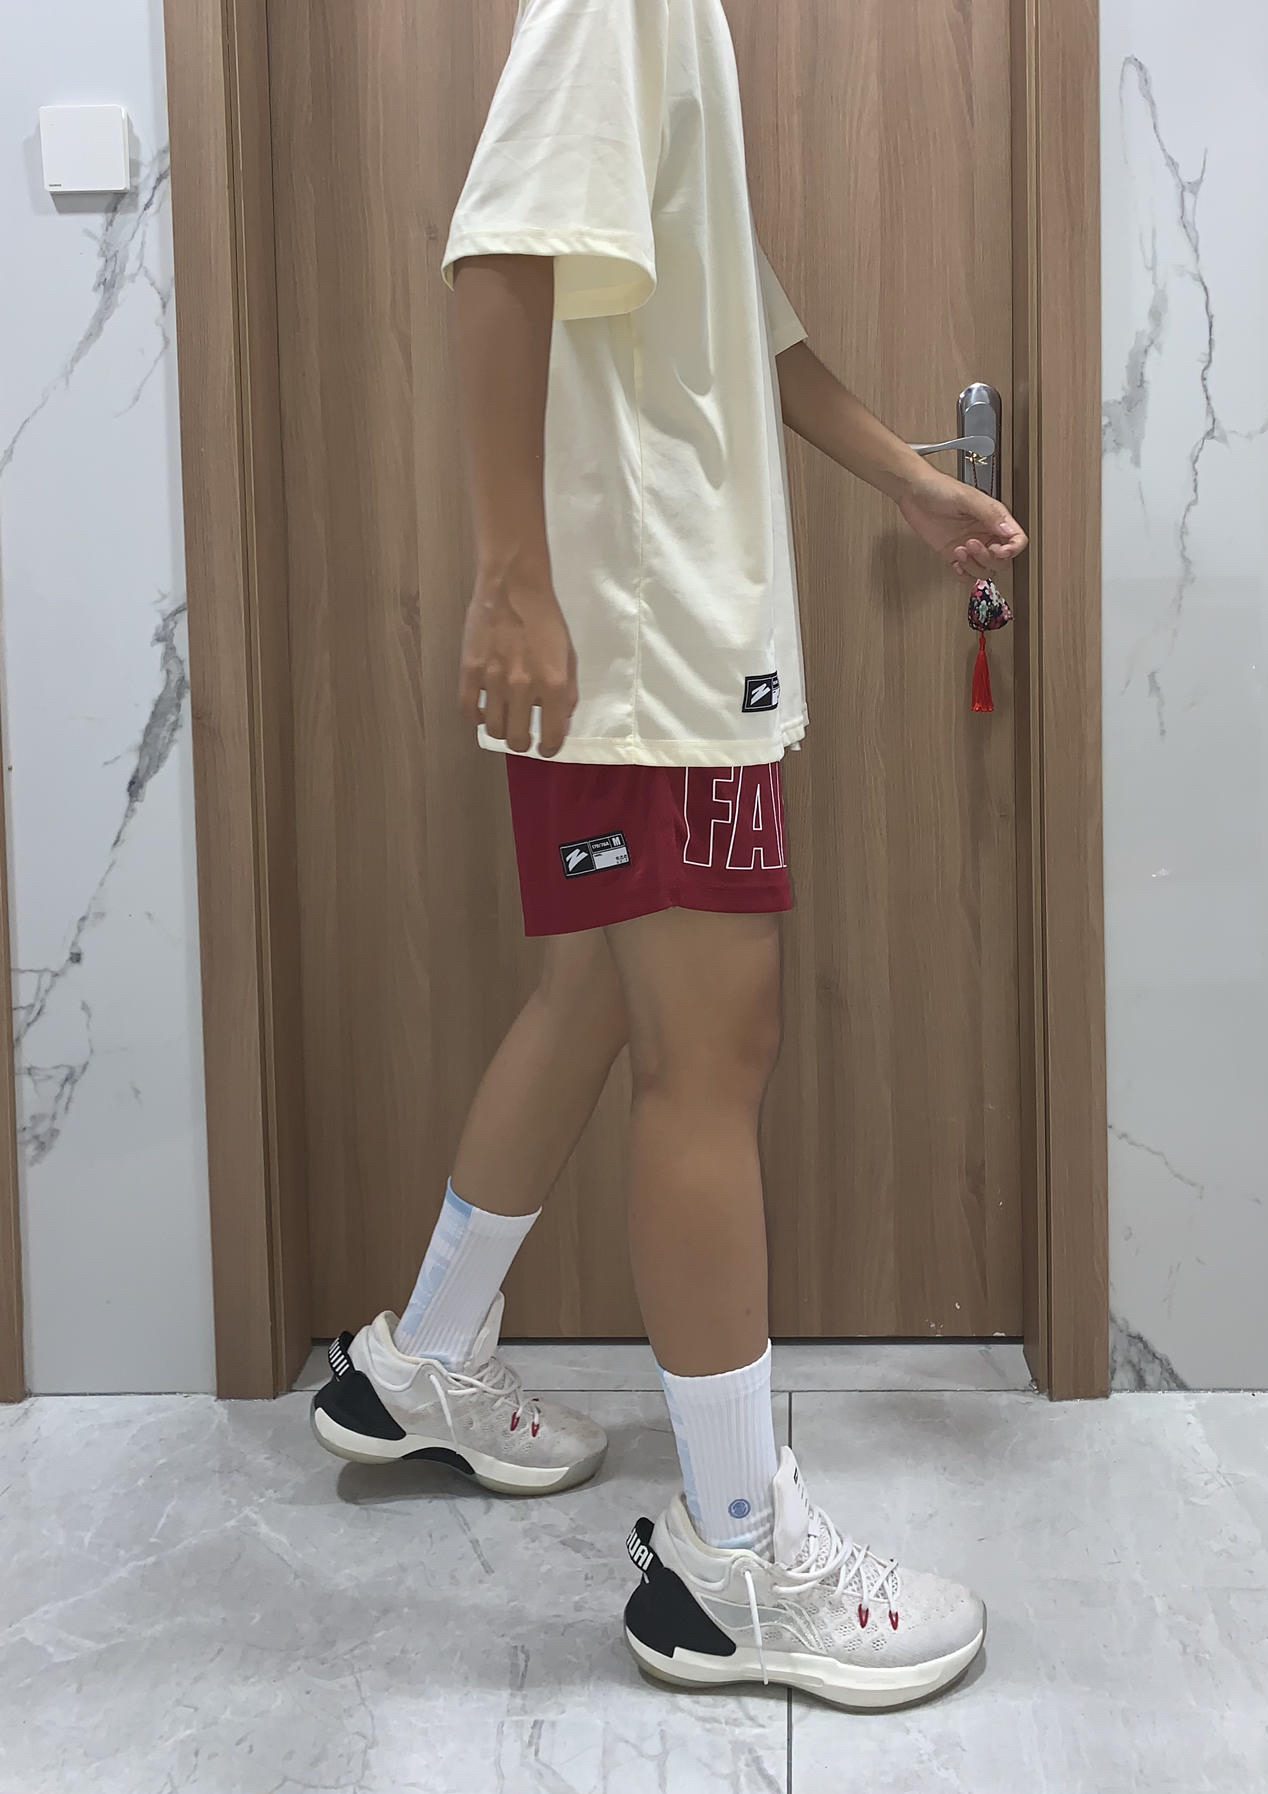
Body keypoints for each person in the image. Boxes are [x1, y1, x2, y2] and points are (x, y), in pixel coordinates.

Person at [310, 0, 1027, 1711]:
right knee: (713, 1053)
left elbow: (736, 324)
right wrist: (508, 577)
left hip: (637, 630)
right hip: (651, 643)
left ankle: (421, 1358)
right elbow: (499, 248)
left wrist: (903, 483)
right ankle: (734, 1560)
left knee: (589, 1000)